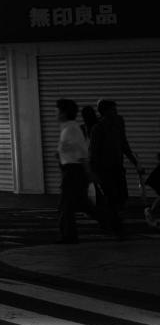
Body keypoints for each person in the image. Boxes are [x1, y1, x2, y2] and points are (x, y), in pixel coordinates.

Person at [89, 97, 141, 236]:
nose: (116, 112)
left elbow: (124, 144)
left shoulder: (118, 123)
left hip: (117, 167)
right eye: (113, 110)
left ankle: (112, 223)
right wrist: (93, 172)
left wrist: (135, 163)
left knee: (121, 197)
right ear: (104, 112)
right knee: (112, 198)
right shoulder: (98, 128)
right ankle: (116, 227)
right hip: (105, 169)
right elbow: (93, 152)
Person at [53, 97, 98, 244]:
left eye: (58, 110)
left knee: (66, 206)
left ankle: (69, 236)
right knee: (82, 204)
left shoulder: (71, 129)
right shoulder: (68, 128)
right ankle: (114, 225)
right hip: (73, 171)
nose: (55, 113)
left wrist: (88, 172)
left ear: (64, 112)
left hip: (73, 172)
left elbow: (81, 153)